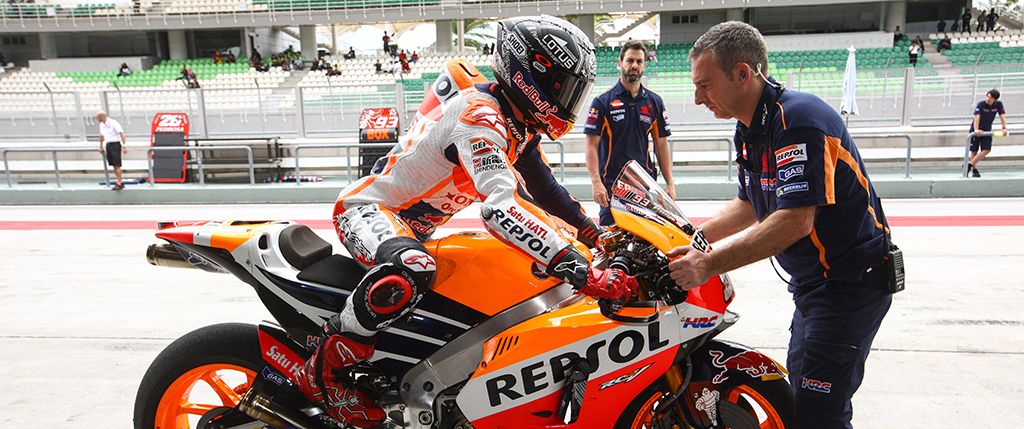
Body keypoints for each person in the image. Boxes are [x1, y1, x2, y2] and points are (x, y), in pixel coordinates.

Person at [295, 16, 611, 428]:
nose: (569, 100)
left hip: (413, 229)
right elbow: (500, 207)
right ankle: (323, 372)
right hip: (368, 209)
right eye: (564, 87)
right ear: (532, 73)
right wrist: (576, 265)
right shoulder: (480, 115)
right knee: (411, 269)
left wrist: (596, 235)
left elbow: (547, 194)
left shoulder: (518, 125)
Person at [674, 21, 893, 429]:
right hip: (815, 288)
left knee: (817, 413)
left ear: (742, 73)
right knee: (803, 400)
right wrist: (693, 237)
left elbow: (794, 220)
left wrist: (707, 264)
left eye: (704, 85)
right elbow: (750, 203)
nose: (698, 97)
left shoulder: (798, 121)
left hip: (850, 286)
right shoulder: (750, 127)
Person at [584, 39, 675, 226]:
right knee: (613, 246)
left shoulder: (654, 102)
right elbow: (591, 146)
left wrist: (669, 184)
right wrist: (596, 183)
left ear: (643, 66)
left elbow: (661, 145)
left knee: (645, 246)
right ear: (620, 63)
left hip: (644, 187)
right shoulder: (602, 102)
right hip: (612, 187)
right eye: (630, 60)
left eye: (639, 62)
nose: (634, 65)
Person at [967, 89, 1009, 177]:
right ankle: (973, 170)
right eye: (987, 96)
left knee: (987, 149)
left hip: (987, 130)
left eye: (990, 97)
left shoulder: (998, 104)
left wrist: (1004, 128)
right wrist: (976, 129)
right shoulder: (981, 104)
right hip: (976, 129)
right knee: (974, 151)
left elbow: (1002, 116)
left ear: (995, 99)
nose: (988, 99)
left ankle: (970, 164)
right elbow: (977, 117)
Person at [96, 111, 127, 190]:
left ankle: (119, 182)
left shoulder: (113, 123)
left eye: (97, 118)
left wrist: (124, 146)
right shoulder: (102, 125)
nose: (97, 119)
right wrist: (101, 146)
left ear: (101, 117)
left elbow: (121, 134)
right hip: (108, 144)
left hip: (115, 144)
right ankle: (119, 181)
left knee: (117, 165)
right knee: (113, 165)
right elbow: (101, 136)